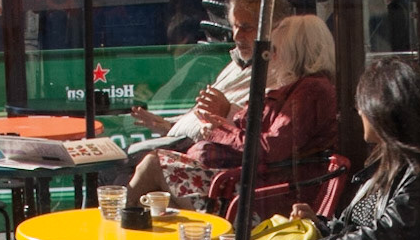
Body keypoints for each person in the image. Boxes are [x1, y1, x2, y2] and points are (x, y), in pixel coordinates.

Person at [127, 12, 337, 213]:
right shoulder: (298, 87)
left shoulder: (311, 91)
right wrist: (223, 124)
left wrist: (217, 132)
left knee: (152, 166)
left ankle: (115, 231)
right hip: (247, 181)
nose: (270, 57)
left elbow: (269, 147)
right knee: (155, 191)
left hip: (261, 194)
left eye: (276, 49)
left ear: (295, 53)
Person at [293, 56, 420, 240]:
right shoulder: (387, 163)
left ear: (383, 111)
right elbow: (362, 230)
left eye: (361, 104)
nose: (358, 111)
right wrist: (320, 225)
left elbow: (383, 237)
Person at [128, 0, 292, 154]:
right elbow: (204, 116)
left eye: (246, 28)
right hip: (189, 147)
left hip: (221, 161)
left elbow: (263, 129)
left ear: (272, 29)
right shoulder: (238, 65)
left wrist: (228, 112)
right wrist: (168, 125)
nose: (236, 36)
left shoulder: (281, 73)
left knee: (144, 163)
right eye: (235, 26)